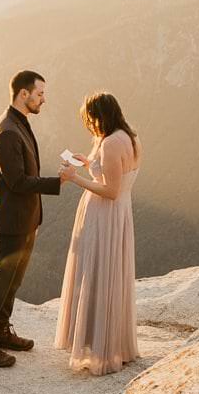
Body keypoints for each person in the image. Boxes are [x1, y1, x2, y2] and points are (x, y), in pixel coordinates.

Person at [0, 70, 77, 367]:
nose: (44, 99)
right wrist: (58, 181)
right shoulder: (7, 131)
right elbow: (17, 182)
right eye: (40, 94)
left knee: (13, 280)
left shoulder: (18, 123)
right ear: (23, 94)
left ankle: (1, 331)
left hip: (24, 219)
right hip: (9, 220)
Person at [53, 91, 141, 375]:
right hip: (119, 216)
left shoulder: (111, 143)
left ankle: (99, 348)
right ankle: (113, 343)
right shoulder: (129, 137)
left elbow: (111, 190)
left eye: (90, 119)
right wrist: (90, 164)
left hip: (104, 216)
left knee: (97, 275)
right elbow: (116, 176)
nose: (89, 125)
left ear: (98, 116)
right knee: (110, 275)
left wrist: (74, 177)